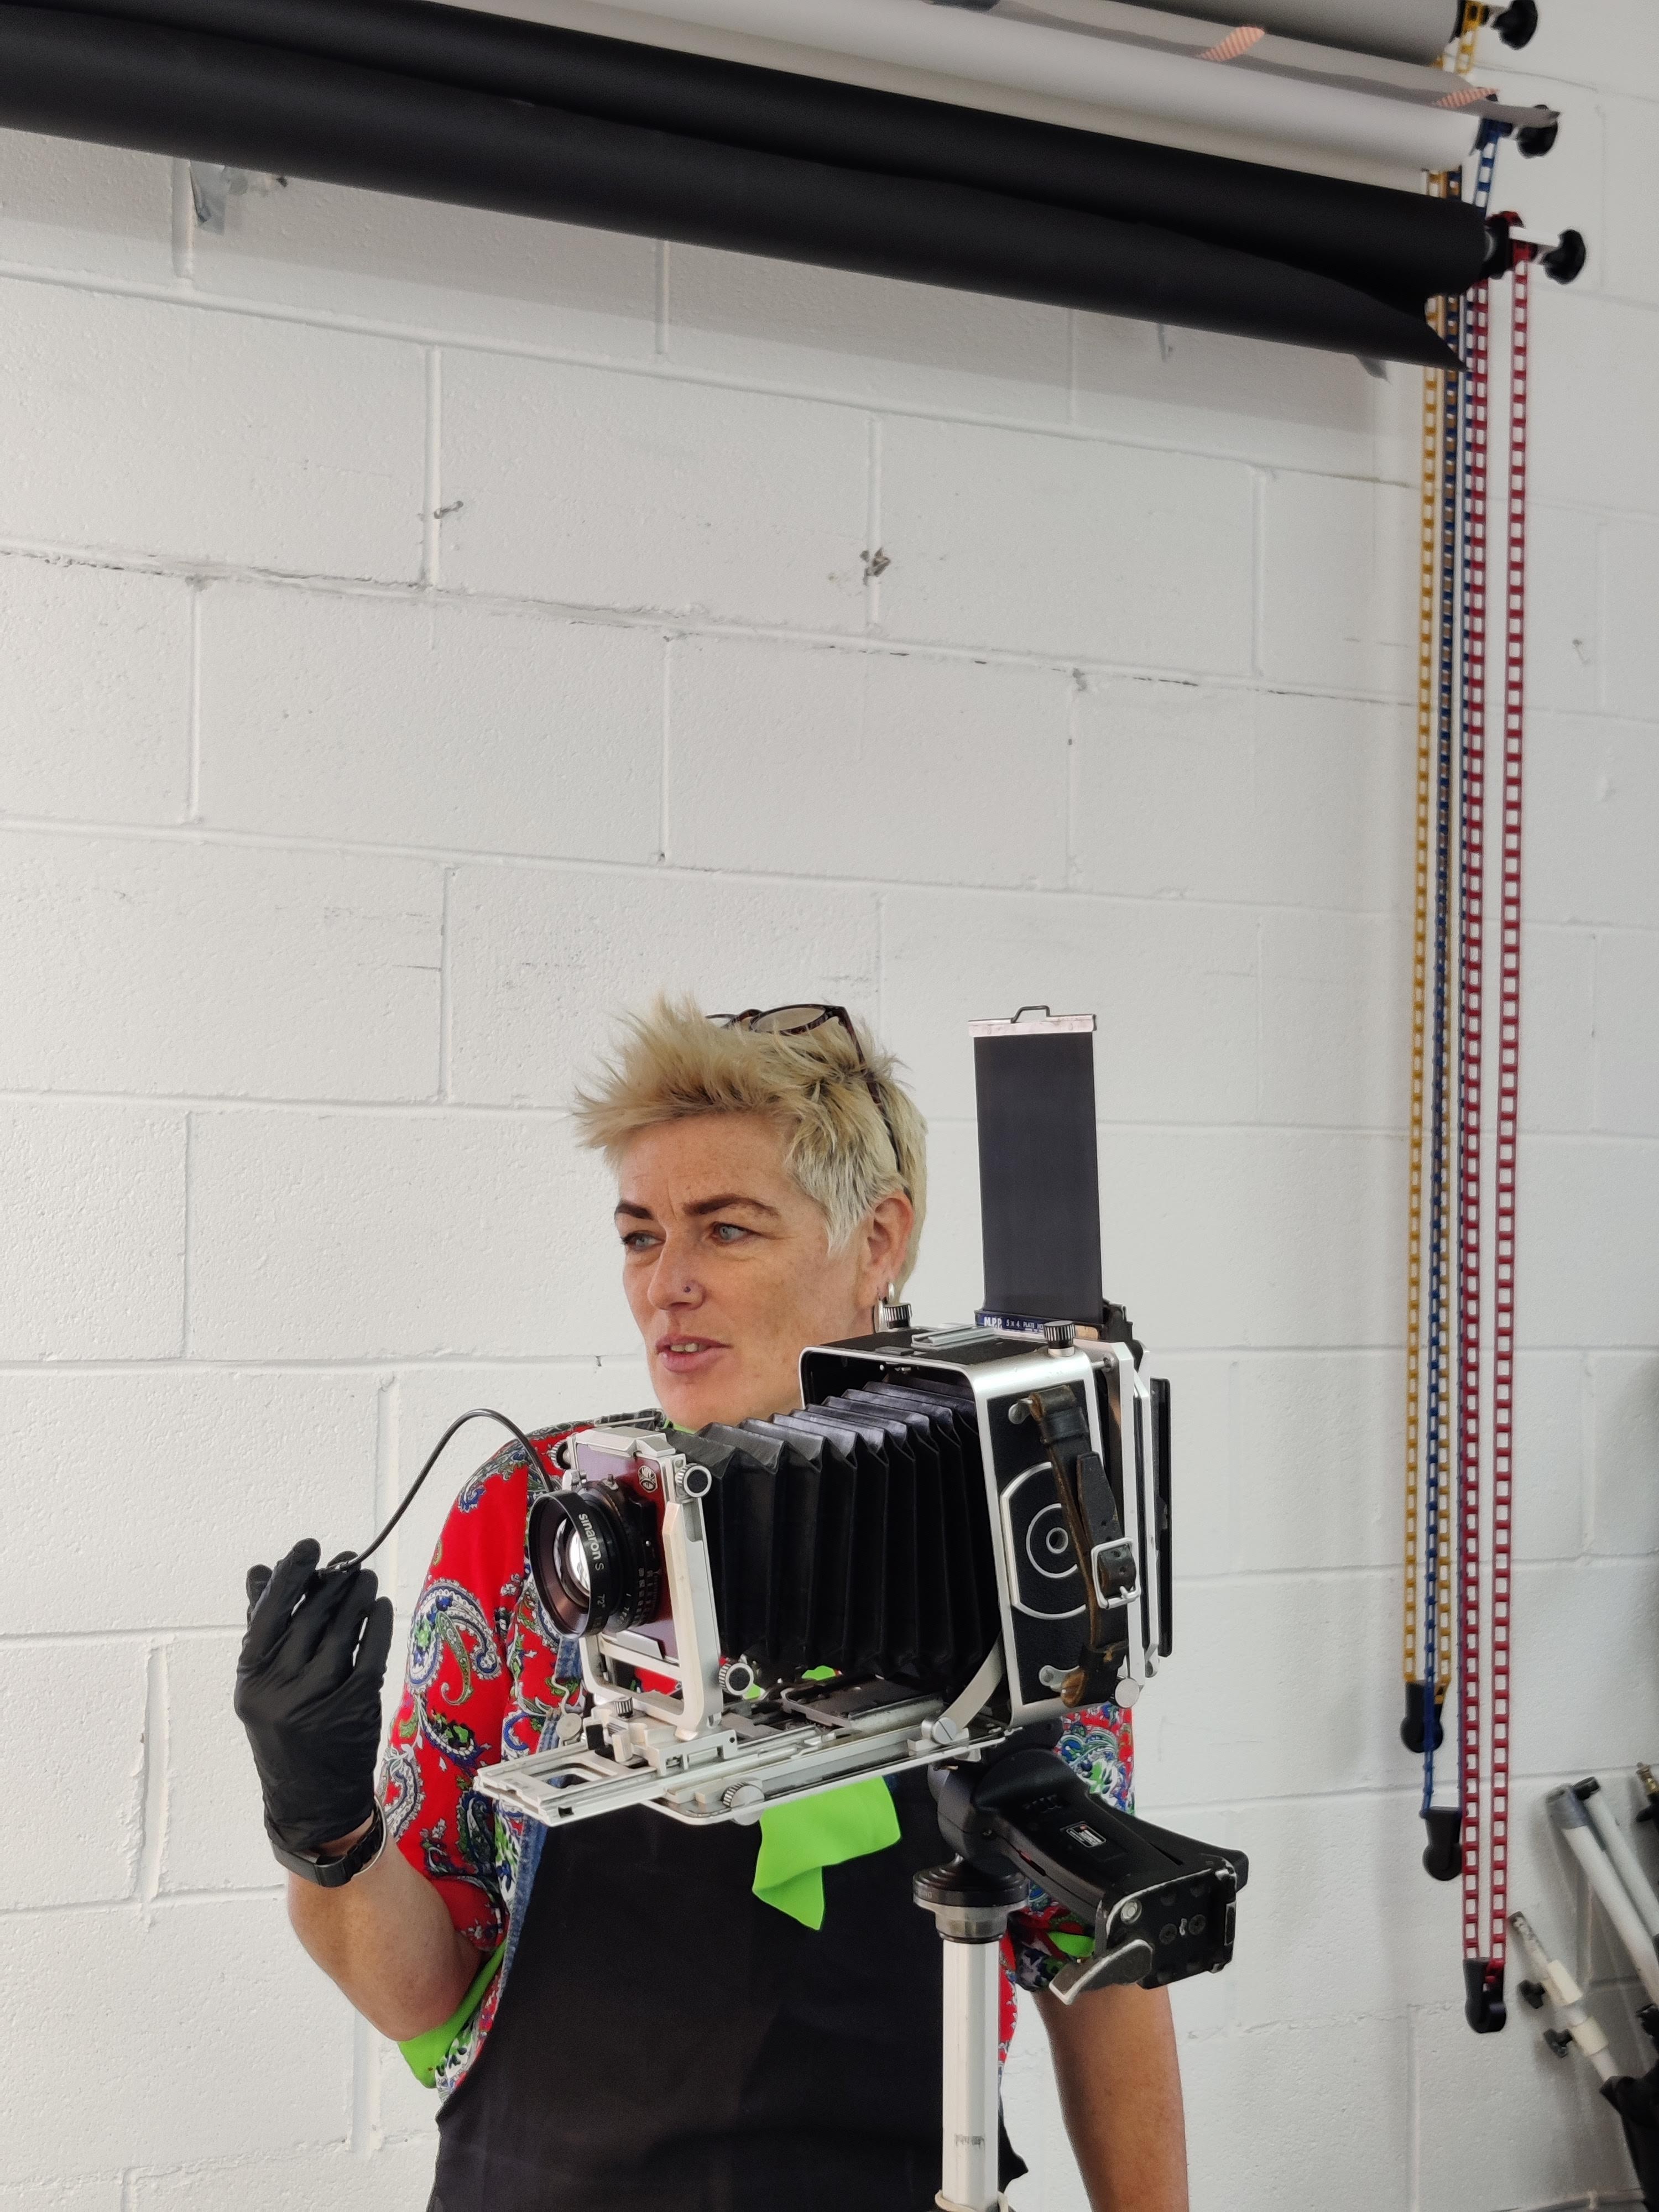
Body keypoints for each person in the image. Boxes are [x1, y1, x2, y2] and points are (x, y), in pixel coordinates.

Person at [234, 999, 1188, 2212]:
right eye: (641, 1236)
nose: (667, 1286)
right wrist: (322, 1824)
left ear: (878, 1238)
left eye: (726, 1229)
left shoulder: (1002, 1524)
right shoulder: (535, 1519)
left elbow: (1099, 1961)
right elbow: (419, 1994)